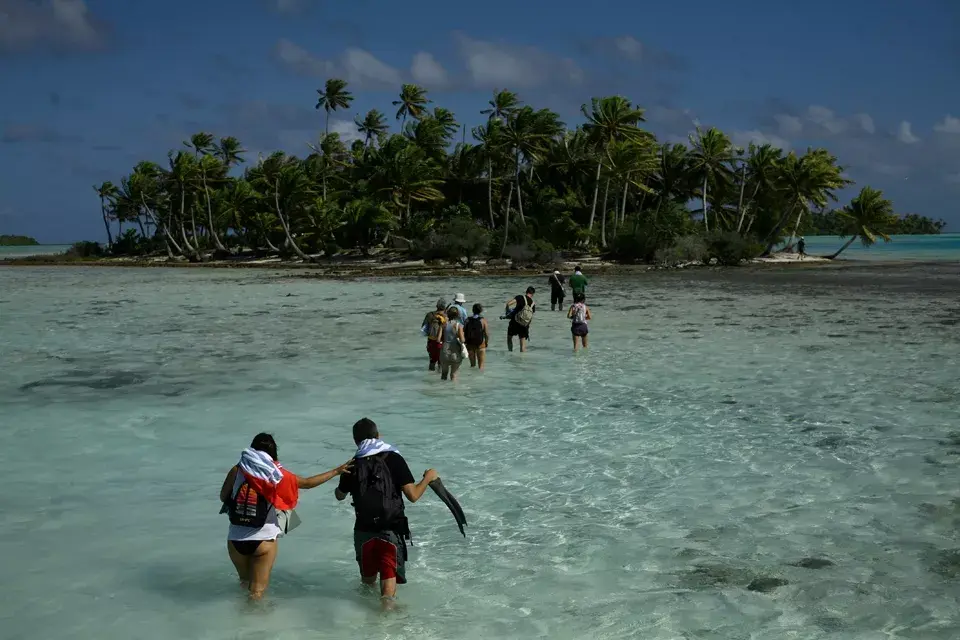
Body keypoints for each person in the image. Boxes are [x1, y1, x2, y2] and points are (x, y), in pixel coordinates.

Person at [220, 433, 352, 600]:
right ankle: (257, 624)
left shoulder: (237, 469)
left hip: (235, 539)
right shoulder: (277, 474)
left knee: (244, 584)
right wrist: (336, 471)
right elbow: (307, 483)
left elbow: (223, 497)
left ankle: (238, 622)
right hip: (264, 540)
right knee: (257, 593)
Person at [335, 418, 438, 606]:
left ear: (355, 441)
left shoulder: (353, 464)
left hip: (363, 531)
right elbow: (413, 495)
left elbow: (340, 496)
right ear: (378, 436)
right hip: (390, 529)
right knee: (387, 597)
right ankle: (387, 630)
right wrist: (428, 478)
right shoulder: (394, 459)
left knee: (366, 587)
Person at [504, 286, 536, 352]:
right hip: (524, 325)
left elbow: (508, 304)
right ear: (532, 294)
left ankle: (510, 354)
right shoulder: (533, 304)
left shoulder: (520, 297)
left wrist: (507, 313)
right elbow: (530, 317)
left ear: (526, 292)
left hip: (514, 322)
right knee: (523, 346)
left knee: (509, 338)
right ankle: (522, 360)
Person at [439, 306, 466, 381]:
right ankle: (453, 391)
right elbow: (462, 340)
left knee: (444, 374)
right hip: (455, 352)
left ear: (448, 314)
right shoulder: (459, 326)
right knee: (454, 374)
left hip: (444, 351)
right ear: (457, 315)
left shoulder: (443, 325)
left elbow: (438, 339)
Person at [421, 298, 447, 371]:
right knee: (441, 361)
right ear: (444, 307)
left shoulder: (430, 315)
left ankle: (431, 376)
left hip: (431, 341)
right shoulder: (446, 316)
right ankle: (440, 379)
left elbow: (423, 327)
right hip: (442, 341)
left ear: (436, 306)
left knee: (432, 361)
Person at [463, 303, 489, 371]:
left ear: (472, 310)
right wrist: (486, 342)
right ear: (481, 310)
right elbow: (486, 334)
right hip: (480, 344)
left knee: (472, 365)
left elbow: (464, 331)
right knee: (481, 366)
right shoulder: (483, 321)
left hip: (470, 344)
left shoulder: (467, 320)